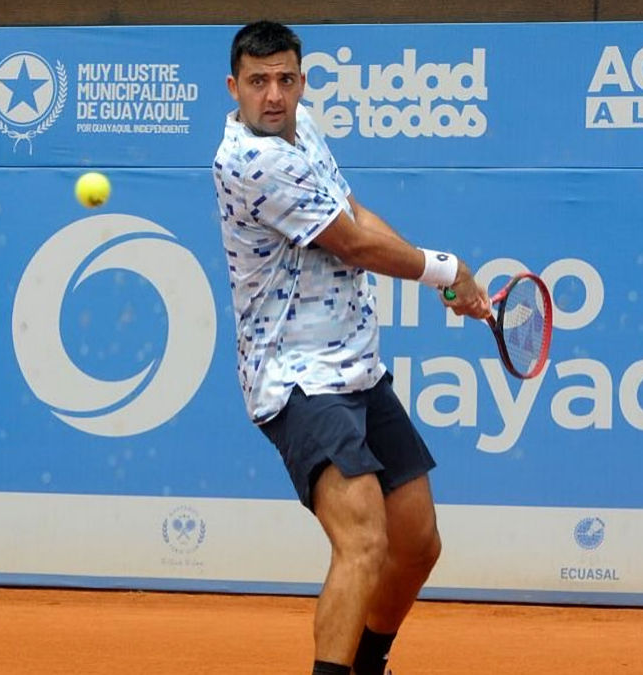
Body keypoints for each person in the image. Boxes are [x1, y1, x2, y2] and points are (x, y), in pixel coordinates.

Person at [212, 20, 490, 675]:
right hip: (297, 380)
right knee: (364, 540)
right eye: (258, 82)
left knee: (416, 542)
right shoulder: (250, 160)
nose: (273, 95)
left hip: (359, 370)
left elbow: (355, 212)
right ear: (234, 87)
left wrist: (443, 280)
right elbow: (353, 244)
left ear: (302, 82)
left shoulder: (302, 129)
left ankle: (370, 664)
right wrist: (446, 269)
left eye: (285, 79)